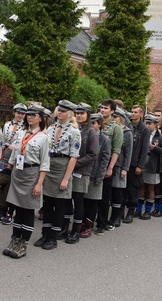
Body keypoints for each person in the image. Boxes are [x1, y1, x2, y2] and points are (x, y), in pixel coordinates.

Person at [2, 105, 50, 259]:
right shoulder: (21, 133)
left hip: (31, 174)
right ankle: (14, 240)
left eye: (34, 115)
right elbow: (14, 154)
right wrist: (7, 171)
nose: (30, 117)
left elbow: (44, 163)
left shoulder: (44, 137)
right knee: (17, 209)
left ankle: (23, 244)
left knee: (28, 210)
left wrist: (39, 183)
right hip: (17, 173)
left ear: (41, 118)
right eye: (28, 115)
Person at [34, 100, 80, 250]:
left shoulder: (74, 131)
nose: (59, 113)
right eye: (58, 110)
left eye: (63, 111)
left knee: (59, 204)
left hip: (62, 166)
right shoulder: (51, 128)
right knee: (47, 203)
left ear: (69, 114)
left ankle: (53, 236)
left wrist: (66, 178)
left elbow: (73, 156)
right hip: (49, 165)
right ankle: (45, 233)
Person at [66, 103, 98, 243]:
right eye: (77, 113)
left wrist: (75, 164)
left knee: (78, 200)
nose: (79, 115)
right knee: (67, 199)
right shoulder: (71, 129)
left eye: (82, 113)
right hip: (68, 170)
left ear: (87, 115)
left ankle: (76, 230)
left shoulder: (91, 132)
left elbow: (93, 154)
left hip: (81, 171)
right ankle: (64, 227)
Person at [0, 103, 27, 224]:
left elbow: (23, 142)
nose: (20, 115)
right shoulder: (7, 125)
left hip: (15, 159)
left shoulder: (25, 128)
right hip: (5, 157)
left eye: (22, 113)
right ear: (14, 112)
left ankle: (9, 213)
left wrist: (15, 146)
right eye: (18, 112)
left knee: (11, 186)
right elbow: (2, 140)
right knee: (1, 184)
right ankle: (0, 210)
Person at [96, 99, 123, 234]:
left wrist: (110, 167)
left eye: (106, 108)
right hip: (93, 165)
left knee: (104, 196)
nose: (102, 110)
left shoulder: (116, 128)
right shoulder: (96, 124)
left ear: (112, 111)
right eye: (101, 107)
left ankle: (102, 222)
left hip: (106, 165)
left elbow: (116, 150)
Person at [82, 113, 110, 238]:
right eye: (90, 123)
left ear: (99, 124)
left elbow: (105, 159)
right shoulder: (86, 135)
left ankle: (88, 225)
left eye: (94, 123)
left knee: (92, 201)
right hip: (84, 173)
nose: (91, 126)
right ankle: (81, 223)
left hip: (95, 175)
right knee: (83, 200)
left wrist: (100, 176)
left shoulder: (105, 139)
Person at [140, 115, 162, 219]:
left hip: (152, 165)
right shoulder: (143, 134)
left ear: (155, 125)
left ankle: (148, 211)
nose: (147, 125)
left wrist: (156, 148)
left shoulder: (160, 137)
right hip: (142, 164)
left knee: (150, 188)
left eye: (150, 124)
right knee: (141, 187)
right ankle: (139, 209)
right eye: (146, 123)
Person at [125, 105, 150, 224]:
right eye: (132, 112)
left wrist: (140, 165)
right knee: (124, 188)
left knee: (134, 188)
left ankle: (131, 211)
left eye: (135, 112)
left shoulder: (144, 129)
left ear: (141, 115)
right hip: (126, 162)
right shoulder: (128, 126)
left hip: (135, 164)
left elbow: (144, 149)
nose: (133, 114)